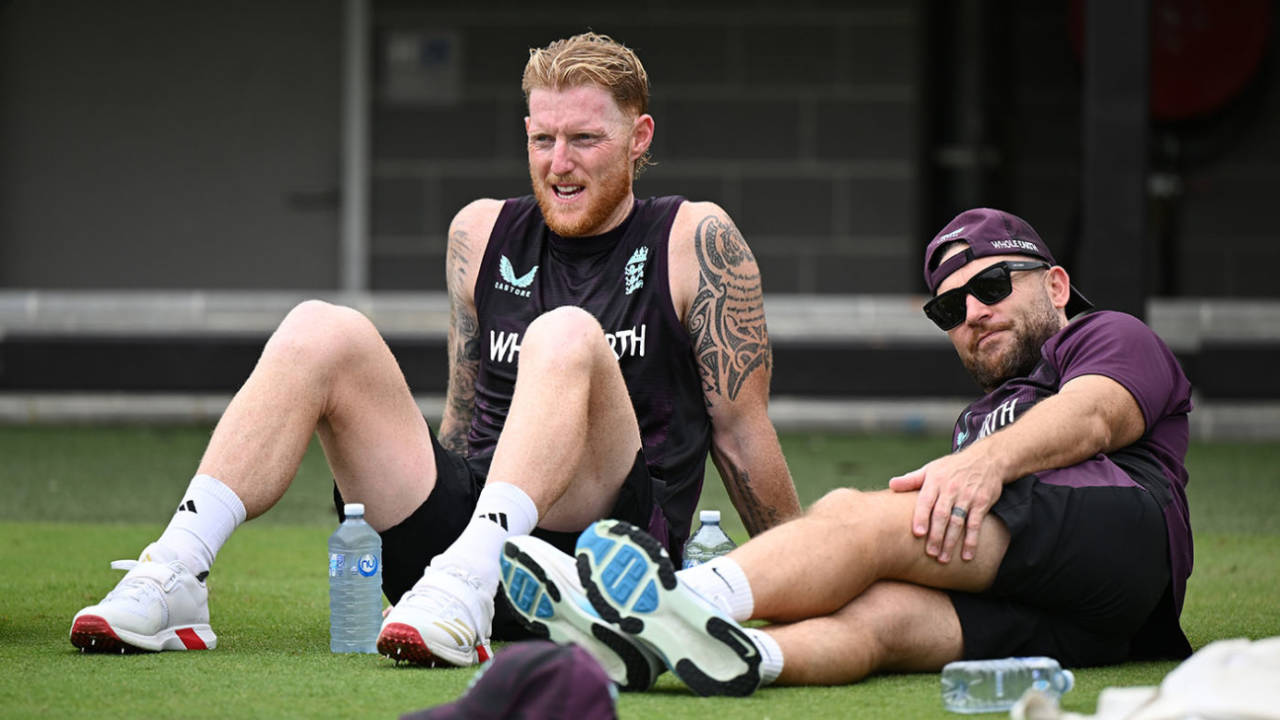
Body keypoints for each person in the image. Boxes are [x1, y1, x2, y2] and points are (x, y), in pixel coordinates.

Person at [68, 32, 800, 676]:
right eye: (542, 140)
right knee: (322, 325)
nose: (559, 163)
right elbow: (462, 416)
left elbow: (741, 437)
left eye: (585, 140)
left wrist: (805, 579)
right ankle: (177, 570)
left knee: (565, 332)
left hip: (604, 569)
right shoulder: (479, 233)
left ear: (639, 137)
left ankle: (472, 577)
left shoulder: (692, 237)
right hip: (451, 570)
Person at [500, 207, 1194, 696]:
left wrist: (983, 462)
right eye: (949, 310)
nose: (973, 314)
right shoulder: (978, 420)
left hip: (1125, 533)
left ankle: (662, 603)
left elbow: (1096, 415)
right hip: (1103, 623)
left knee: (859, 516)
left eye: (990, 287)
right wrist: (973, 459)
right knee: (883, 621)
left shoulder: (1107, 334)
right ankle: (723, 652)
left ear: (1056, 284)